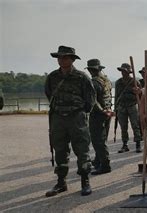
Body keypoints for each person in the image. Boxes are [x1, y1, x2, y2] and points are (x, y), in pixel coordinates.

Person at [44, 45, 95, 196]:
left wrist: (79, 112)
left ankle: (85, 181)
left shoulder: (82, 76)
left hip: (76, 117)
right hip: (58, 118)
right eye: (59, 57)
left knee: (82, 150)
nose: (61, 60)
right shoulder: (52, 77)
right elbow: (49, 94)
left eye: (65, 57)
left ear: (72, 59)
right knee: (59, 150)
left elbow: (90, 99)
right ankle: (61, 183)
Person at [86, 59, 114, 175]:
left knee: (98, 140)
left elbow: (93, 101)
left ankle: (105, 165)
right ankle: (98, 161)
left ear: (90, 70)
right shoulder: (106, 80)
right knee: (102, 139)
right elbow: (108, 96)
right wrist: (107, 110)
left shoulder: (93, 82)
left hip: (99, 114)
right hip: (107, 112)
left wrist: (102, 110)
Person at [115, 63, 142, 153]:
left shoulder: (134, 81)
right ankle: (125, 144)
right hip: (122, 106)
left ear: (128, 72)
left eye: (124, 71)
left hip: (132, 105)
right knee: (123, 127)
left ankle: (138, 144)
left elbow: (141, 94)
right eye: (122, 71)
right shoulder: (118, 82)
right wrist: (116, 108)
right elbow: (116, 96)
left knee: (135, 125)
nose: (123, 73)